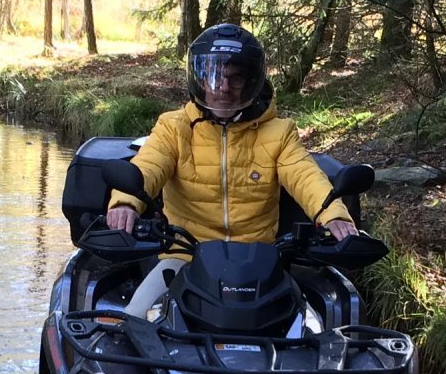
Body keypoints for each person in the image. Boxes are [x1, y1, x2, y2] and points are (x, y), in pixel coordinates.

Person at [105, 24, 361, 245]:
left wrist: (333, 214)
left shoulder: (280, 133)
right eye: (214, 77)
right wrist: (125, 203)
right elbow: (148, 165)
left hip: (259, 261)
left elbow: (305, 176)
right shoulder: (174, 127)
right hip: (184, 255)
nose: (224, 87)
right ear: (200, 80)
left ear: (252, 83)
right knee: (141, 305)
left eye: (235, 79)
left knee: (319, 302)